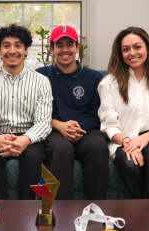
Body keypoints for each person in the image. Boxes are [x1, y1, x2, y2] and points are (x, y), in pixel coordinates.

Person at [98, 27, 149, 199]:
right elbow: (108, 124)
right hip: (123, 139)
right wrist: (127, 142)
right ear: (120, 54)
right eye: (125, 49)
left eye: (137, 47)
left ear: (147, 48)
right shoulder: (109, 84)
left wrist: (147, 137)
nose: (132, 53)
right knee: (130, 164)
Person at [0, 24, 52, 200]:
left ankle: (26, 212)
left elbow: (43, 122)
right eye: (6, 45)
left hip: (29, 135)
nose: (12, 50)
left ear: (26, 50)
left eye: (18, 45)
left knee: (34, 158)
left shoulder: (41, 82)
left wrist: (25, 140)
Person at [36, 25, 109, 200]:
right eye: (59, 45)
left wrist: (78, 127)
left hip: (86, 129)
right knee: (61, 149)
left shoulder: (94, 77)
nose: (65, 49)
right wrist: (59, 125)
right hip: (53, 129)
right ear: (51, 49)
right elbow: (36, 113)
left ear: (78, 47)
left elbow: (96, 114)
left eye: (70, 44)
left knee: (97, 147)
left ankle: (96, 207)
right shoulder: (40, 76)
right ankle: (63, 214)